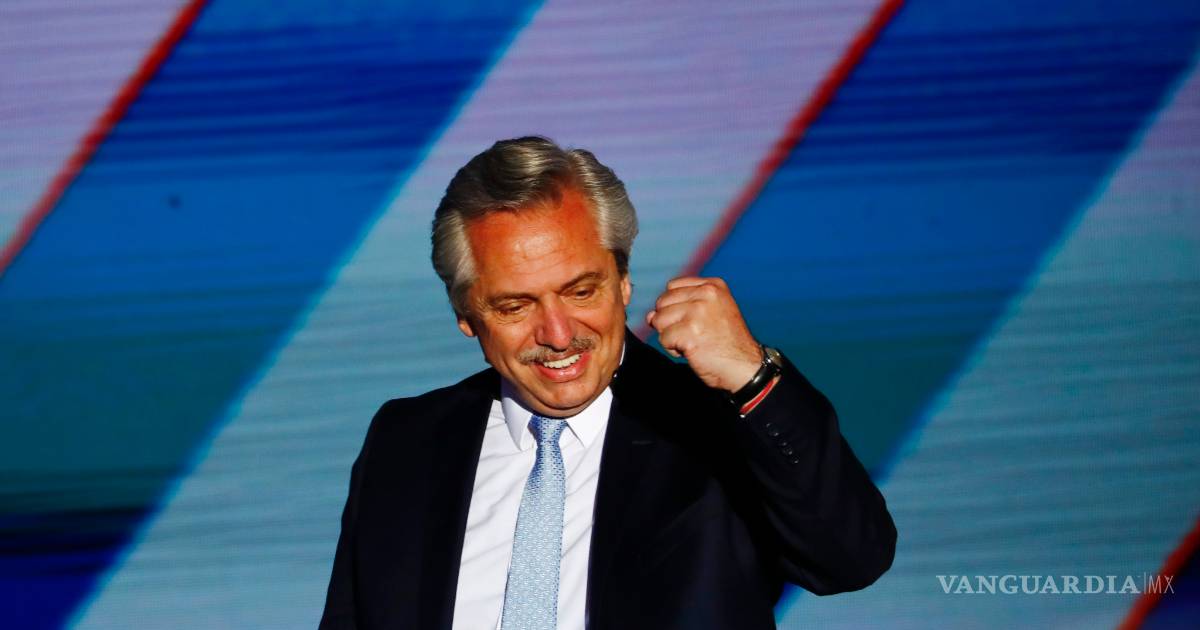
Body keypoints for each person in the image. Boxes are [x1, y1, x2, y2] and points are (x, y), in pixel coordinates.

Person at [319, 137, 895, 630]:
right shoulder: (406, 441)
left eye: (581, 291)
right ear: (466, 314)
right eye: (516, 305)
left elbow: (851, 558)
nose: (558, 333)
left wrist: (751, 374)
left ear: (623, 281)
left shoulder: (717, 426)